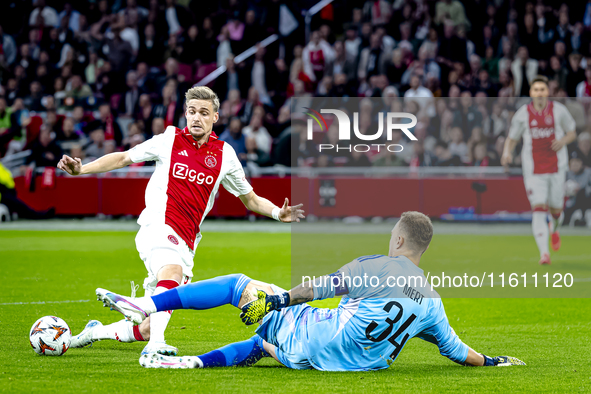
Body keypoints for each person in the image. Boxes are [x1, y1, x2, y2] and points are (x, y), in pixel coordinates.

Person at [96, 212, 525, 371]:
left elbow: (320, 288)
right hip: (341, 364)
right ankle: (190, 363)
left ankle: (146, 304)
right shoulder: (433, 302)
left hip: (314, 339)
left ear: (397, 240)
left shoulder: (375, 266)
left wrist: (277, 299)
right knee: (261, 344)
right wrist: (493, 360)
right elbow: (455, 351)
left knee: (238, 286)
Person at [58, 86, 304, 356]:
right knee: (172, 274)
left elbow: (251, 199)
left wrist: (276, 213)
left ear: (215, 117)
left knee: (150, 325)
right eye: (191, 112)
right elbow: (124, 157)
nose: (196, 118)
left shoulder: (224, 154)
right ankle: (155, 348)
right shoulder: (169, 139)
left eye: (203, 113)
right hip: (158, 227)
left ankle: (96, 331)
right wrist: (83, 169)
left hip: (187, 241)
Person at [501, 75, 577, 265]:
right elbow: (512, 137)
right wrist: (506, 153)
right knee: (538, 207)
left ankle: (555, 228)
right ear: (531, 93)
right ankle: (544, 253)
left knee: (556, 210)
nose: (540, 93)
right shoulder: (523, 114)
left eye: (543, 90)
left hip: (557, 167)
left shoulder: (559, 111)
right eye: (536, 90)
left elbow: (572, 132)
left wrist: (562, 141)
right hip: (534, 170)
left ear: (547, 92)